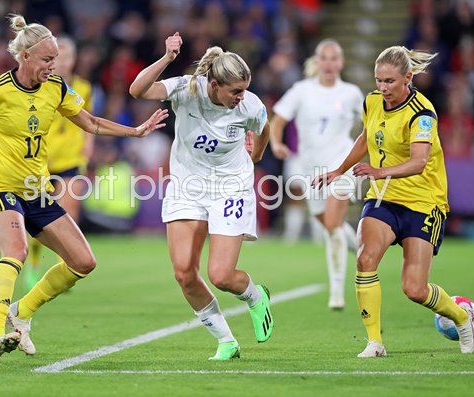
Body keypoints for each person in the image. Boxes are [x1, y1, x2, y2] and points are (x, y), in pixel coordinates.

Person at [0, 14, 168, 363]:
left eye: (55, 58)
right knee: (14, 252)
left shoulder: (57, 88)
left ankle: (22, 311)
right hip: (1, 189)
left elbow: (89, 122)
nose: (53, 64)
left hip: (37, 191)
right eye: (48, 59)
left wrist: (135, 131)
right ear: (26, 56)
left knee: (84, 261)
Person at [314, 46, 474, 357]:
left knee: (414, 289)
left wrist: (378, 170)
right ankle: (374, 342)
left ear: (408, 77)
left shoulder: (422, 113)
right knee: (364, 259)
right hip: (384, 197)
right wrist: (339, 169)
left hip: (423, 200)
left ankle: (461, 316)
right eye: (378, 81)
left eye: (389, 81)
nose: (383, 88)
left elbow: (419, 162)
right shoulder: (372, 102)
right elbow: (366, 137)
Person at [129, 32, 273, 361]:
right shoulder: (186, 89)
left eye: (245, 89)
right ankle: (226, 341)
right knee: (183, 272)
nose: (242, 96)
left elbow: (264, 128)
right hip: (187, 185)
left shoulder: (250, 105)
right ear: (214, 85)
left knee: (221, 275)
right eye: (235, 91)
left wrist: (256, 155)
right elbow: (137, 90)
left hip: (230, 186)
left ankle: (255, 296)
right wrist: (166, 58)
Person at [270, 39, 363, 310]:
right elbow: (279, 119)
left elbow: (371, 123)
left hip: (342, 166)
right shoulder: (302, 91)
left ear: (341, 63)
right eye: (325, 58)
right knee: (328, 224)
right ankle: (360, 248)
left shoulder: (351, 93)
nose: (330, 63)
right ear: (317, 61)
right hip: (312, 170)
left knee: (332, 224)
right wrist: (276, 143)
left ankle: (337, 292)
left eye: (335, 58)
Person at [26, 36, 95, 290]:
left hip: (71, 158)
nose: (63, 62)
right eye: (58, 57)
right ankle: (33, 261)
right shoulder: (41, 87)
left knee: (69, 210)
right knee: (39, 216)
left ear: (74, 59)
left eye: (67, 57)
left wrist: (88, 146)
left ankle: (65, 268)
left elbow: (89, 120)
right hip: (43, 159)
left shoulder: (84, 88)